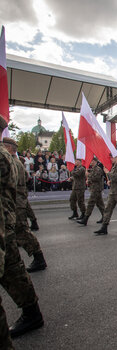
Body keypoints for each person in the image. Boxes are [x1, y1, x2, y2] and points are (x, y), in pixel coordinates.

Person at [0, 123, 44, 339]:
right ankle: (31, 312)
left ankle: (39, 257)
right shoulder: (12, 160)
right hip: (11, 209)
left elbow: (18, 186)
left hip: (10, 209)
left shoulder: (7, 159)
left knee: (19, 241)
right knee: (12, 267)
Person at [2, 138, 47, 273]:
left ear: (9, 148)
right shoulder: (15, 162)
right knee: (16, 231)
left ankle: (39, 259)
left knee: (21, 230)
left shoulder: (13, 162)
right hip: (17, 200)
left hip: (17, 201)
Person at [77, 157, 105, 226]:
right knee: (100, 204)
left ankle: (85, 219)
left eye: (92, 161)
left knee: (90, 203)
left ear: (95, 161)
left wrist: (89, 176)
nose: (91, 162)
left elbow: (96, 178)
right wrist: (88, 179)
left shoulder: (98, 169)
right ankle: (105, 217)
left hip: (96, 188)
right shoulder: (92, 169)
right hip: (94, 188)